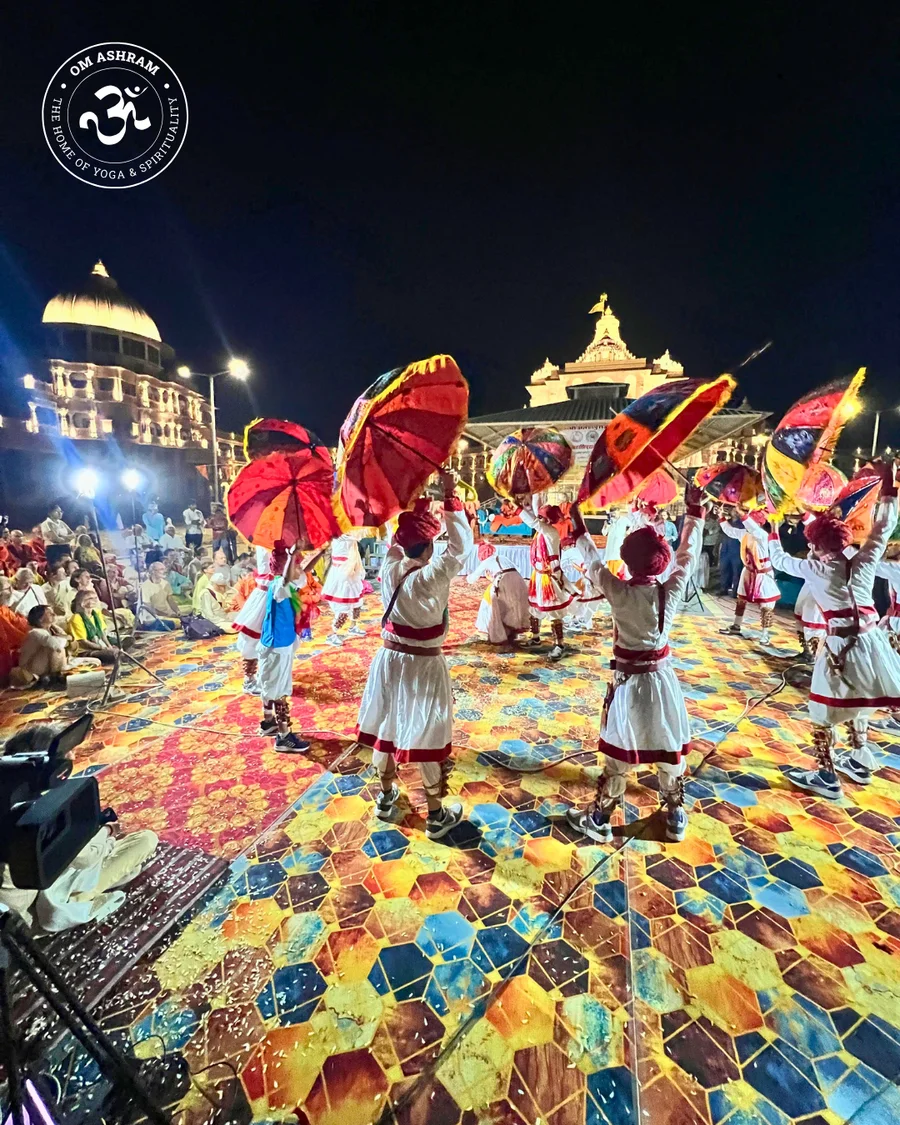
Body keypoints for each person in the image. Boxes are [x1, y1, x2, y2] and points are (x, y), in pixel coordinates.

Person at [564, 487, 705, 843]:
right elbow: (687, 556)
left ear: (627, 561)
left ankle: (599, 819)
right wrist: (694, 512)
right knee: (668, 748)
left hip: (629, 685)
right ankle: (675, 815)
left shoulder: (619, 591)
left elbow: (594, 563)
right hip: (662, 682)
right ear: (661, 560)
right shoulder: (669, 590)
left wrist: (578, 524)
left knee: (619, 756)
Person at [767, 461, 900, 799]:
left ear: (818, 546)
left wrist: (771, 528)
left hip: (841, 646)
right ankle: (858, 757)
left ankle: (827, 776)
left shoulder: (816, 568)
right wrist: (889, 491)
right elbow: (883, 527)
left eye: (812, 543)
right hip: (872, 641)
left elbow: (780, 561)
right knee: (860, 699)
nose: (810, 547)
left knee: (823, 710)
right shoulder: (863, 557)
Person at [356, 475, 470, 840]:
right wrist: (450, 497)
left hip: (388, 661)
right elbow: (460, 550)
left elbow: (396, 540)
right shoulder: (432, 575)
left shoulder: (390, 569)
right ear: (429, 548)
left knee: (388, 728)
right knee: (426, 731)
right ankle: (436, 816)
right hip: (422, 665)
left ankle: (386, 797)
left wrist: (415, 504)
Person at [0, 723, 158, 932]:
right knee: (145, 841)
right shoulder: (34, 812)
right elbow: (85, 858)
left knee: (125, 864)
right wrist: (108, 832)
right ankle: (72, 904)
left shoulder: (8, 787)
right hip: (22, 910)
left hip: (24, 892)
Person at [258, 548, 315, 752]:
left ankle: (268, 722)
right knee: (278, 689)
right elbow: (284, 580)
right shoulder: (279, 587)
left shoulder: (288, 584)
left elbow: (304, 573)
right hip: (276, 647)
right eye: (295, 565)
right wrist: (292, 555)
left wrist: (323, 550)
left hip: (281, 643)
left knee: (270, 685)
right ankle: (283, 737)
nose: (299, 568)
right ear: (285, 569)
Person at [519, 501, 574, 660]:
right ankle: (536, 638)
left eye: (542, 517)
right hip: (538, 575)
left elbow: (533, 522)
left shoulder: (550, 532)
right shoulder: (542, 532)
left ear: (548, 520)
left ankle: (560, 645)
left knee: (553, 610)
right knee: (534, 607)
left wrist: (518, 509)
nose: (539, 519)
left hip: (549, 577)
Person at [719, 508, 780, 646]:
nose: (746, 524)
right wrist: (721, 517)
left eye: (751, 521)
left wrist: (742, 514)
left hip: (763, 574)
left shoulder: (762, 535)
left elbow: (751, 527)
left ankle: (765, 634)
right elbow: (730, 531)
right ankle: (736, 625)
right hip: (748, 571)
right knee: (741, 600)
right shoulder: (745, 534)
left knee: (766, 605)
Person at [234, 546, 277, 693]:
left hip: (277, 597)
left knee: (276, 640)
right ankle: (249, 680)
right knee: (253, 638)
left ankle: (267, 674)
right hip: (264, 598)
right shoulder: (265, 544)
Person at [469, 551, 530, 644]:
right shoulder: (503, 557)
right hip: (519, 580)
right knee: (515, 604)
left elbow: (472, 579)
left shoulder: (486, 561)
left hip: (502, 581)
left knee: (495, 604)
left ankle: (499, 634)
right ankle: (514, 627)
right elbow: (518, 569)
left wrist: (469, 576)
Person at [323, 531, 366, 645]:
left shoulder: (351, 537)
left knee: (357, 604)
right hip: (342, 574)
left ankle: (353, 626)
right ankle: (332, 634)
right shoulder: (338, 536)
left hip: (352, 571)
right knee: (343, 608)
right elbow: (357, 536)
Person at [12, 605, 71, 687]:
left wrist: (66, 638)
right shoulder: (35, 633)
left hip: (44, 667)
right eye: (49, 613)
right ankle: (55, 677)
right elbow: (57, 645)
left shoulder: (53, 629)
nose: (54, 614)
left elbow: (70, 642)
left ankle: (56, 676)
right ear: (40, 619)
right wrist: (67, 638)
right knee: (56, 649)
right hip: (31, 668)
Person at [67, 588, 118, 664]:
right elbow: (84, 642)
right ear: (82, 602)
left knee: (123, 643)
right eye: (90, 598)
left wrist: (109, 646)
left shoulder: (96, 613)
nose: (94, 600)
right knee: (113, 654)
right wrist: (104, 648)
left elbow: (102, 633)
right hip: (86, 650)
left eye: (95, 598)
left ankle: (117, 652)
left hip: (100, 644)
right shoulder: (76, 618)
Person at [0, 577, 29, 685]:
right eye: (8, 588)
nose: (12, 591)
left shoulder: (4, 608)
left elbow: (20, 623)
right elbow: (12, 635)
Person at [139, 561, 182, 628]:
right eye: (161, 569)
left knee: (182, 621)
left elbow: (170, 599)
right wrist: (166, 615)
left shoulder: (165, 583)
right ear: (153, 571)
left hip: (166, 615)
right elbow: (148, 607)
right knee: (173, 624)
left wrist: (177, 611)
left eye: (164, 569)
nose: (164, 571)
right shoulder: (145, 586)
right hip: (152, 617)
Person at [40, 504, 74, 568]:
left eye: (61, 511)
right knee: (58, 568)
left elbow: (73, 535)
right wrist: (66, 538)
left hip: (66, 548)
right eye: (56, 511)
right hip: (54, 550)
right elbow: (55, 539)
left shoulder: (62, 523)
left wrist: (61, 536)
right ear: (50, 513)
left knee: (69, 567)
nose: (59, 513)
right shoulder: (46, 524)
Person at [718, 512, 743, 597]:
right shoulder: (727, 522)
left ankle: (735, 591)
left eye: (736, 510)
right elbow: (720, 536)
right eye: (733, 509)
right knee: (724, 569)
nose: (734, 512)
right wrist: (717, 547)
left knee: (736, 571)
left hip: (737, 551)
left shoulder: (743, 524)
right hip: (725, 550)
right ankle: (723, 588)